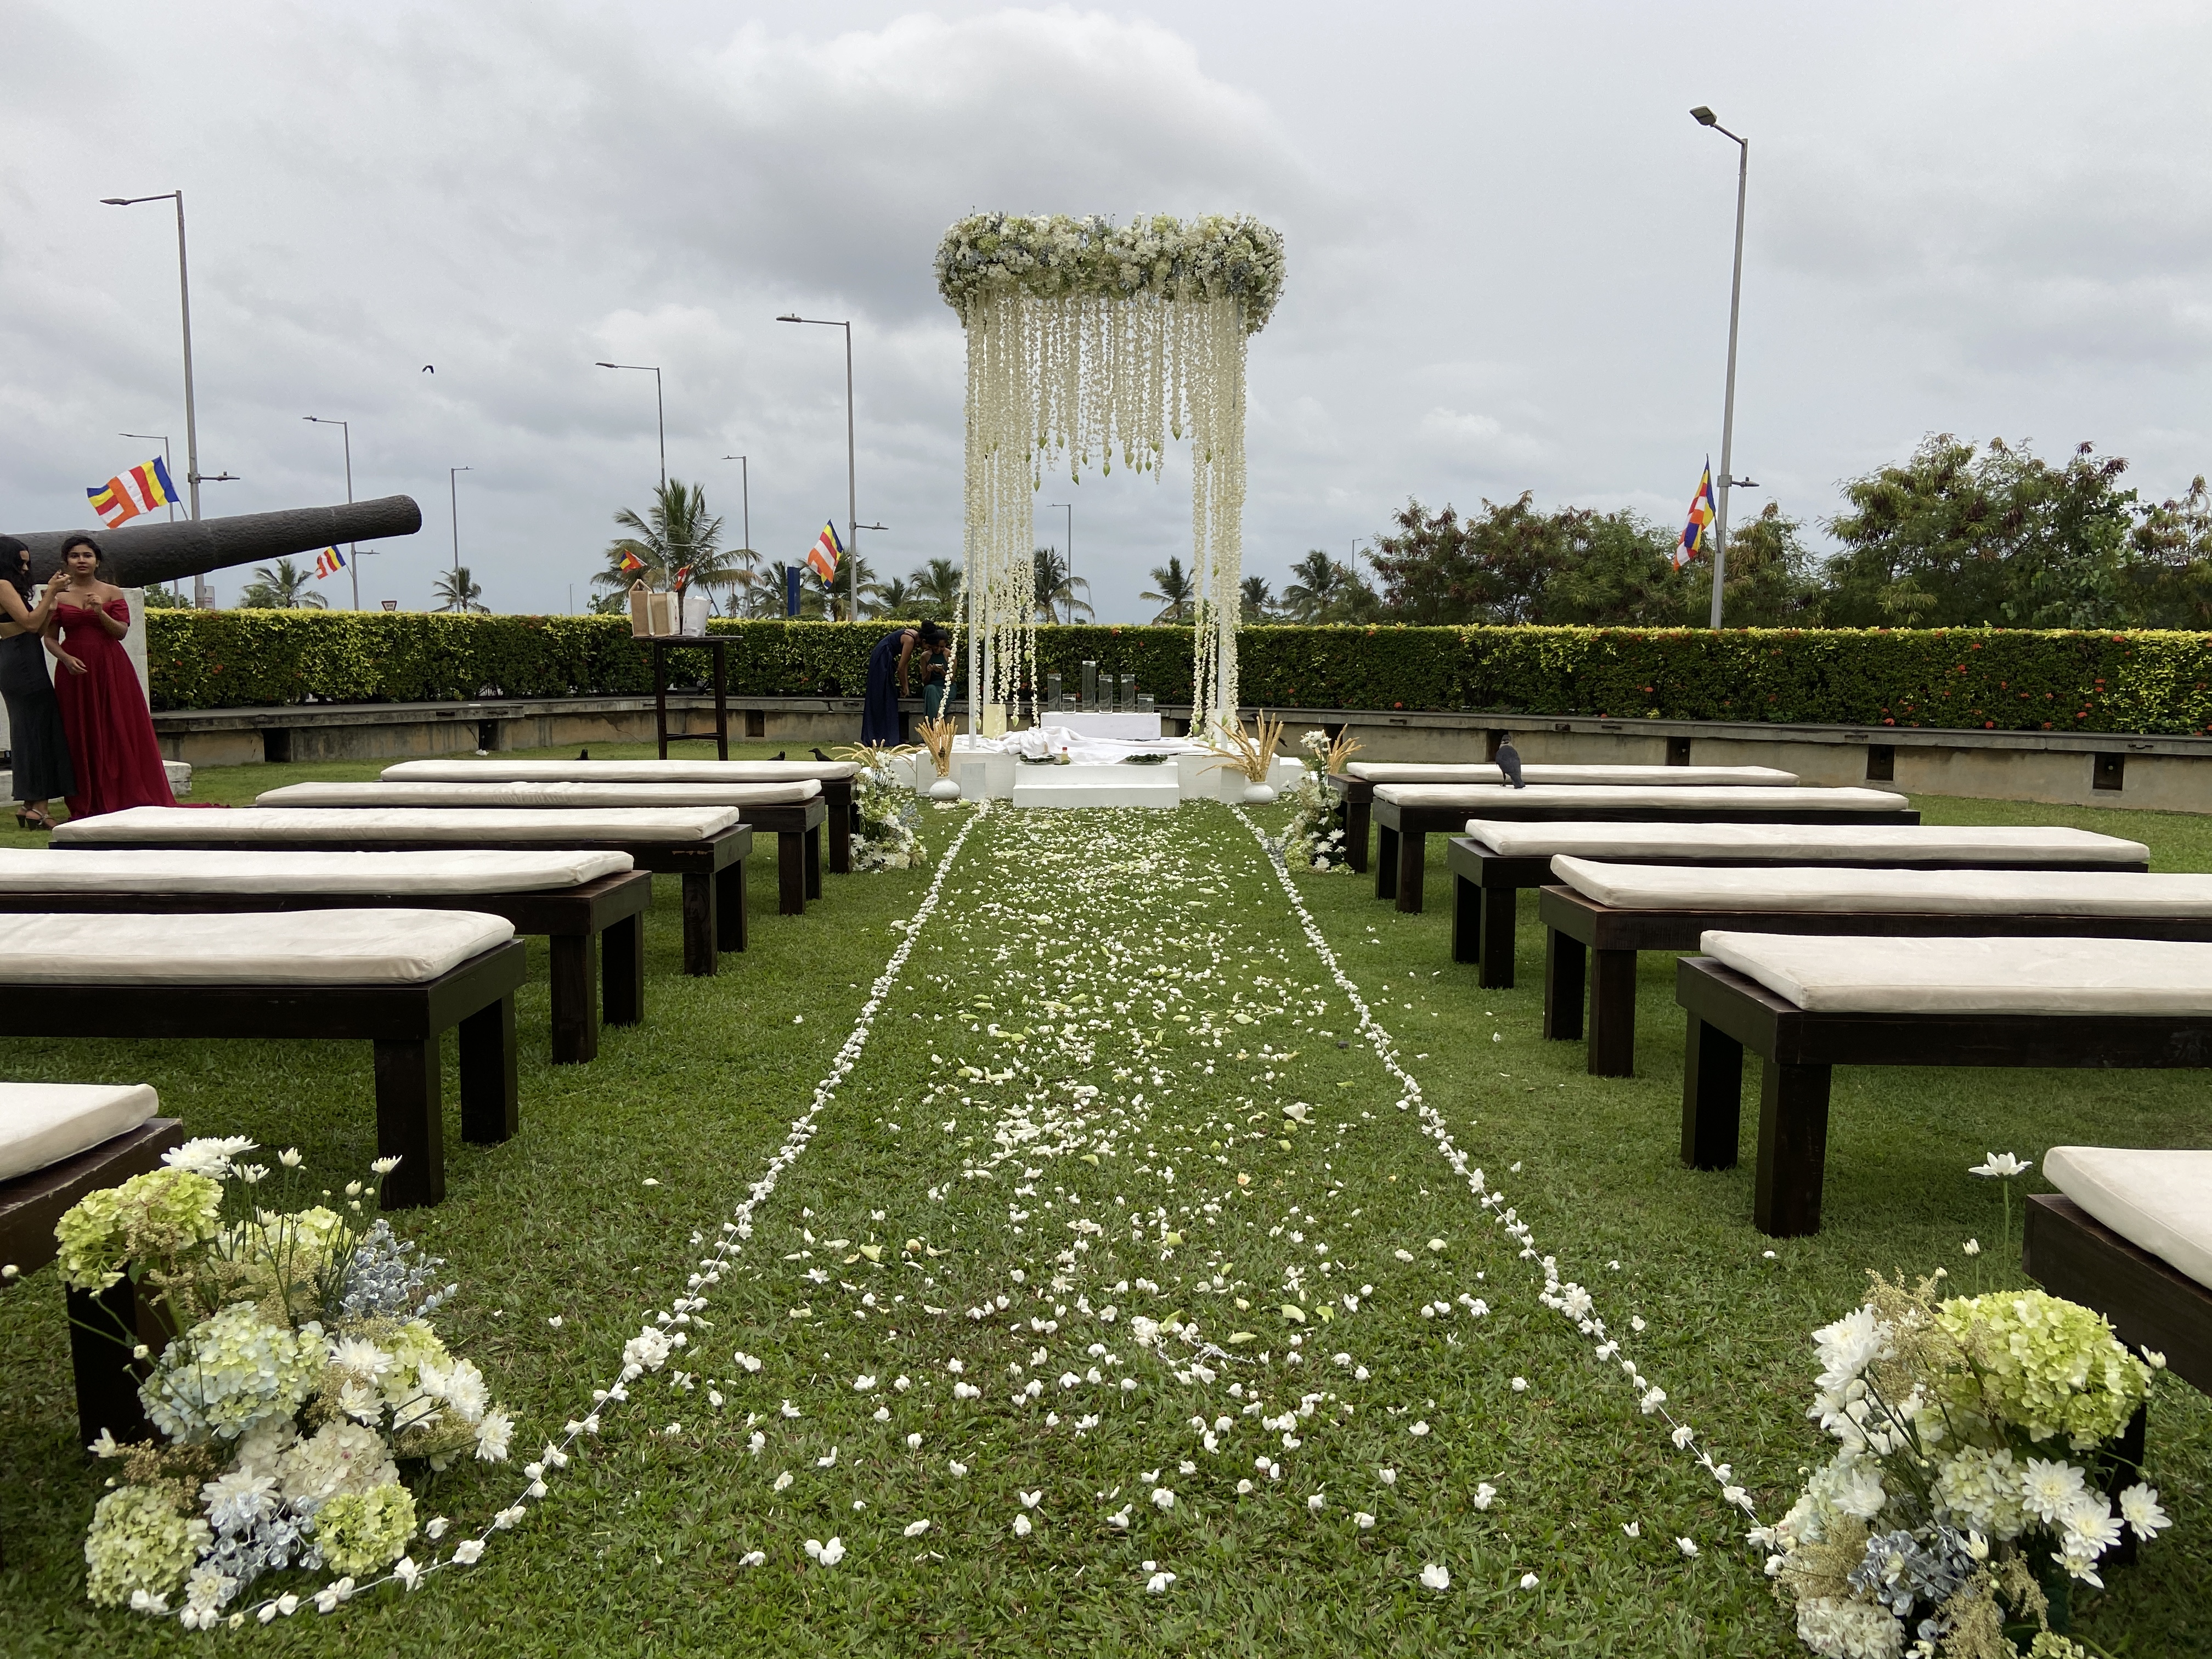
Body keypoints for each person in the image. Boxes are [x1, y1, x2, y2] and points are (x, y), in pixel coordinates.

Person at [46, 533, 175, 819]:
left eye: (87, 555)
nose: (81, 560)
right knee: (79, 731)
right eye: (75, 556)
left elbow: (121, 632)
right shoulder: (58, 594)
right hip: (74, 670)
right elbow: (50, 638)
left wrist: (98, 612)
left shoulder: (112, 592)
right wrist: (65, 659)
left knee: (116, 725)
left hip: (110, 666)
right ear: (66, 561)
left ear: (97, 561)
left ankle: (124, 793)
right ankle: (85, 799)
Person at [0, 535, 76, 828]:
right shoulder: (2, 585)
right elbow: (30, 624)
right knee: (39, 732)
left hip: (23, 657)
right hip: (21, 661)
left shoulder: (9, 586)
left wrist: (52, 602)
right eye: (19, 562)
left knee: (31, 732)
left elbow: (35, 628)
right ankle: (39, 809)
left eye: (27, 562)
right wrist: (50, 594)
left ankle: (30, 805)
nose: (24, 567)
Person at [861, 620, 947, 744]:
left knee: (889, 697)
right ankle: (877, 736)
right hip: (881, 659)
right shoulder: (910, 640)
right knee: (880, 697)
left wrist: (906, 687)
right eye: (928, 647)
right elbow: (901, 668)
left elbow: (905, 663)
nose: (927, 650)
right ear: (923, 641)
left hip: (886, 659)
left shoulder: (913, 636)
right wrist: (904, 686)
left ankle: (888, 736)